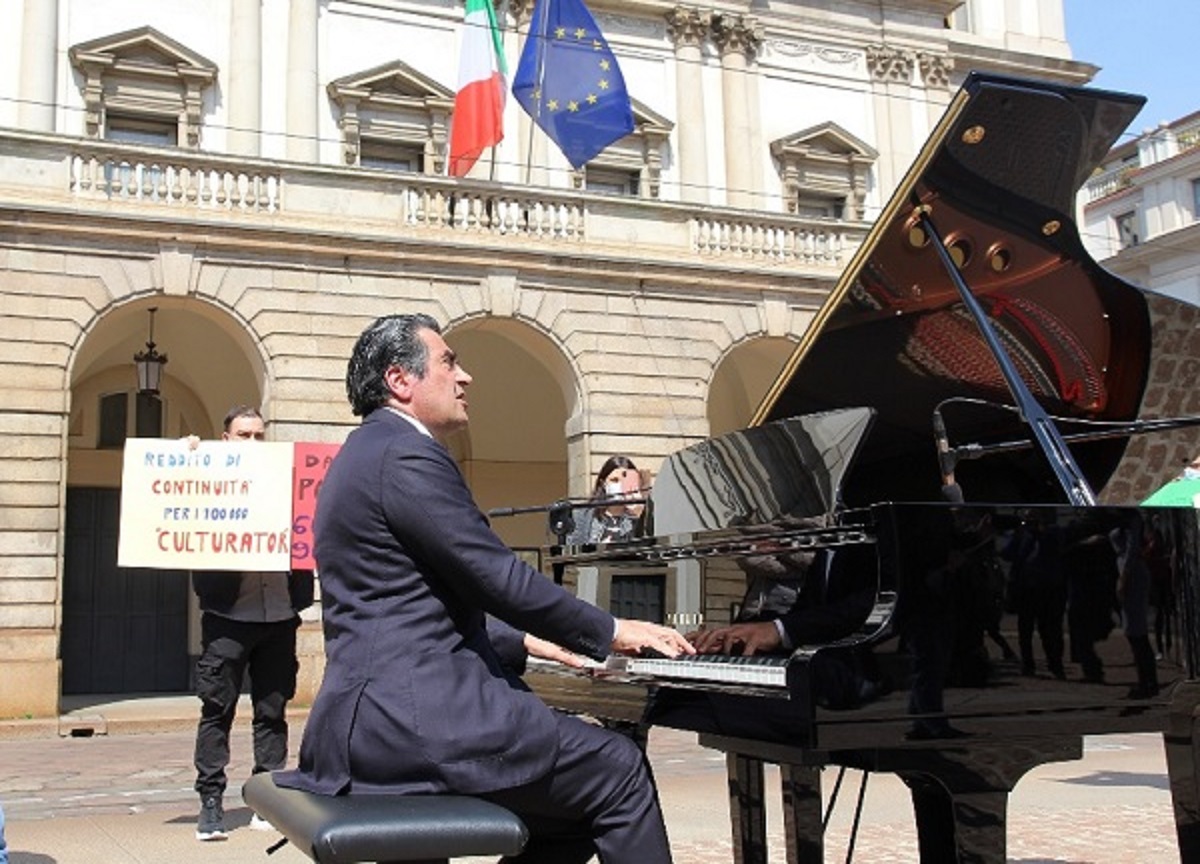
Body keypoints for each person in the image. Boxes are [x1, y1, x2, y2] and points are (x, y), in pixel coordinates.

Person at [276, 314, 693, 864]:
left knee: (568, 813)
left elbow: (414, 602)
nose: (465, 376)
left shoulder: (362, 454)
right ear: (401, 381)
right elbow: (497, 576)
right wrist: (611, 630)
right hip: (421, 724)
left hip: (367, 724)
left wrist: (534, 644)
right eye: (449, 362)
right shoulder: (407, 454)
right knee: (617, 770)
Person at [190, 405, 316, 841]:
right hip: (228, 617)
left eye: (259, 435)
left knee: (272, 712)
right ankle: (211, 802)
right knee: (216, 711)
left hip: (280, 615)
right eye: (244, 435)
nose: (253, 443)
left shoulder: (288, 481)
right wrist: (190, 456)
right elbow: (172, 492)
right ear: (225, 440)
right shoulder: (207, 476)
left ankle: (267, 798)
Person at [568, 455, 647, 544]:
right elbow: (573, 551)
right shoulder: (583, 516)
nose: (620, 486)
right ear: (603, 483)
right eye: (614, 480)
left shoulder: (636, 520)